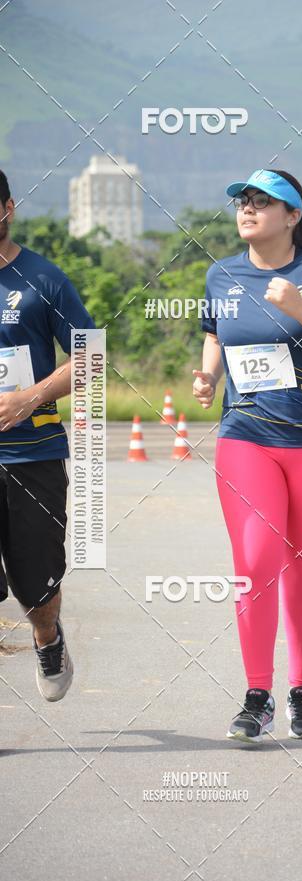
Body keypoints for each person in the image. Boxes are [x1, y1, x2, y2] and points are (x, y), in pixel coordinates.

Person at [193, 168, 302, 743]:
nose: (248, 210)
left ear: (293, 216)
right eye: (243, 202)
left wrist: (300, 307)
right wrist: (208, 374)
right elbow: (217, 332)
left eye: (262, 203)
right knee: (255, 562)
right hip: (245, 435)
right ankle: (255, 695)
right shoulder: (221, 274)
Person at [0, 169, 96, 700]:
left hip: (32, 453)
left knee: (35, 584)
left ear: (8, 208)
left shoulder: (44, 280)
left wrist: (29, 397)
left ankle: (46, 634)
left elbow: (92, 356)